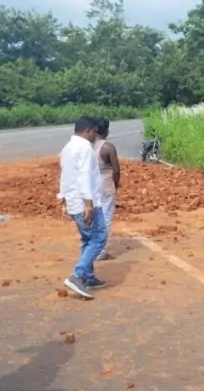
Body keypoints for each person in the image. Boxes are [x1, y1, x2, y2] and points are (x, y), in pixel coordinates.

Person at [58, 116, 108, 298]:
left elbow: (64, 176)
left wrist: (63, 199)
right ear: (87, 131)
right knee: (99, 238)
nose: (96, 135)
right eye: (95, 132)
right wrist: (89, 204)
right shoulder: (85, 148)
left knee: (87, 239)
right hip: (86, 203)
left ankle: (88, 276)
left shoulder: (67, 148)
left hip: (73, 202)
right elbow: (84, 176)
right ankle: (78, 275)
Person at [94, 118, 120, 261]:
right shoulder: (108, 147)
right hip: (106, 184)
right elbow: (116, 171)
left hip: (92, 186)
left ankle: (93, 247)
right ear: (107, 131)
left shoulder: (90, 146)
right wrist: (115, 186)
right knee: (106, 217)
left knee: (95, 218)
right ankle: (100, 251)